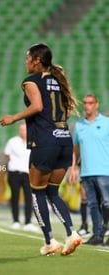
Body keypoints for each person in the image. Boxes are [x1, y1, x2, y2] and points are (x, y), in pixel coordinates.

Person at [0, 43, 82, 256]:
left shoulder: (31, 81)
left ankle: (49, 241)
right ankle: (71, 233)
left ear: (37, 60)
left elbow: (37, 107)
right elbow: (64, 112)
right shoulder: (58, 80)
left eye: (28, 58)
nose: (25, 61)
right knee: (52, 191)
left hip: (45, 142)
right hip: (64, 139)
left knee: (36, 192)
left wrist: (13, 118)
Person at [69, 94, 109, 246]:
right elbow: (75, 149)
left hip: (105, 171)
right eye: (85, 103)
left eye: (90, 103)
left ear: (96, 105)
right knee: (92, 204)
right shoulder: (79, 125)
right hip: (86, 172)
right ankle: (97, 235)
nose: (87, 106)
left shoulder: (106, 123)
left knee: (107, 203)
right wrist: (73, 168)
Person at [4, 123, 39, 232]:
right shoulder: (12, 141)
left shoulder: (33, 141)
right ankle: (16, 221)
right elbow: (7, 155)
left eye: (25, 129)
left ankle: (28, 222)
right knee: (15, 197)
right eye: (21, 129)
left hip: (28, 174)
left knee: (29, 198)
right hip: (14, 173)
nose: (23, 131)